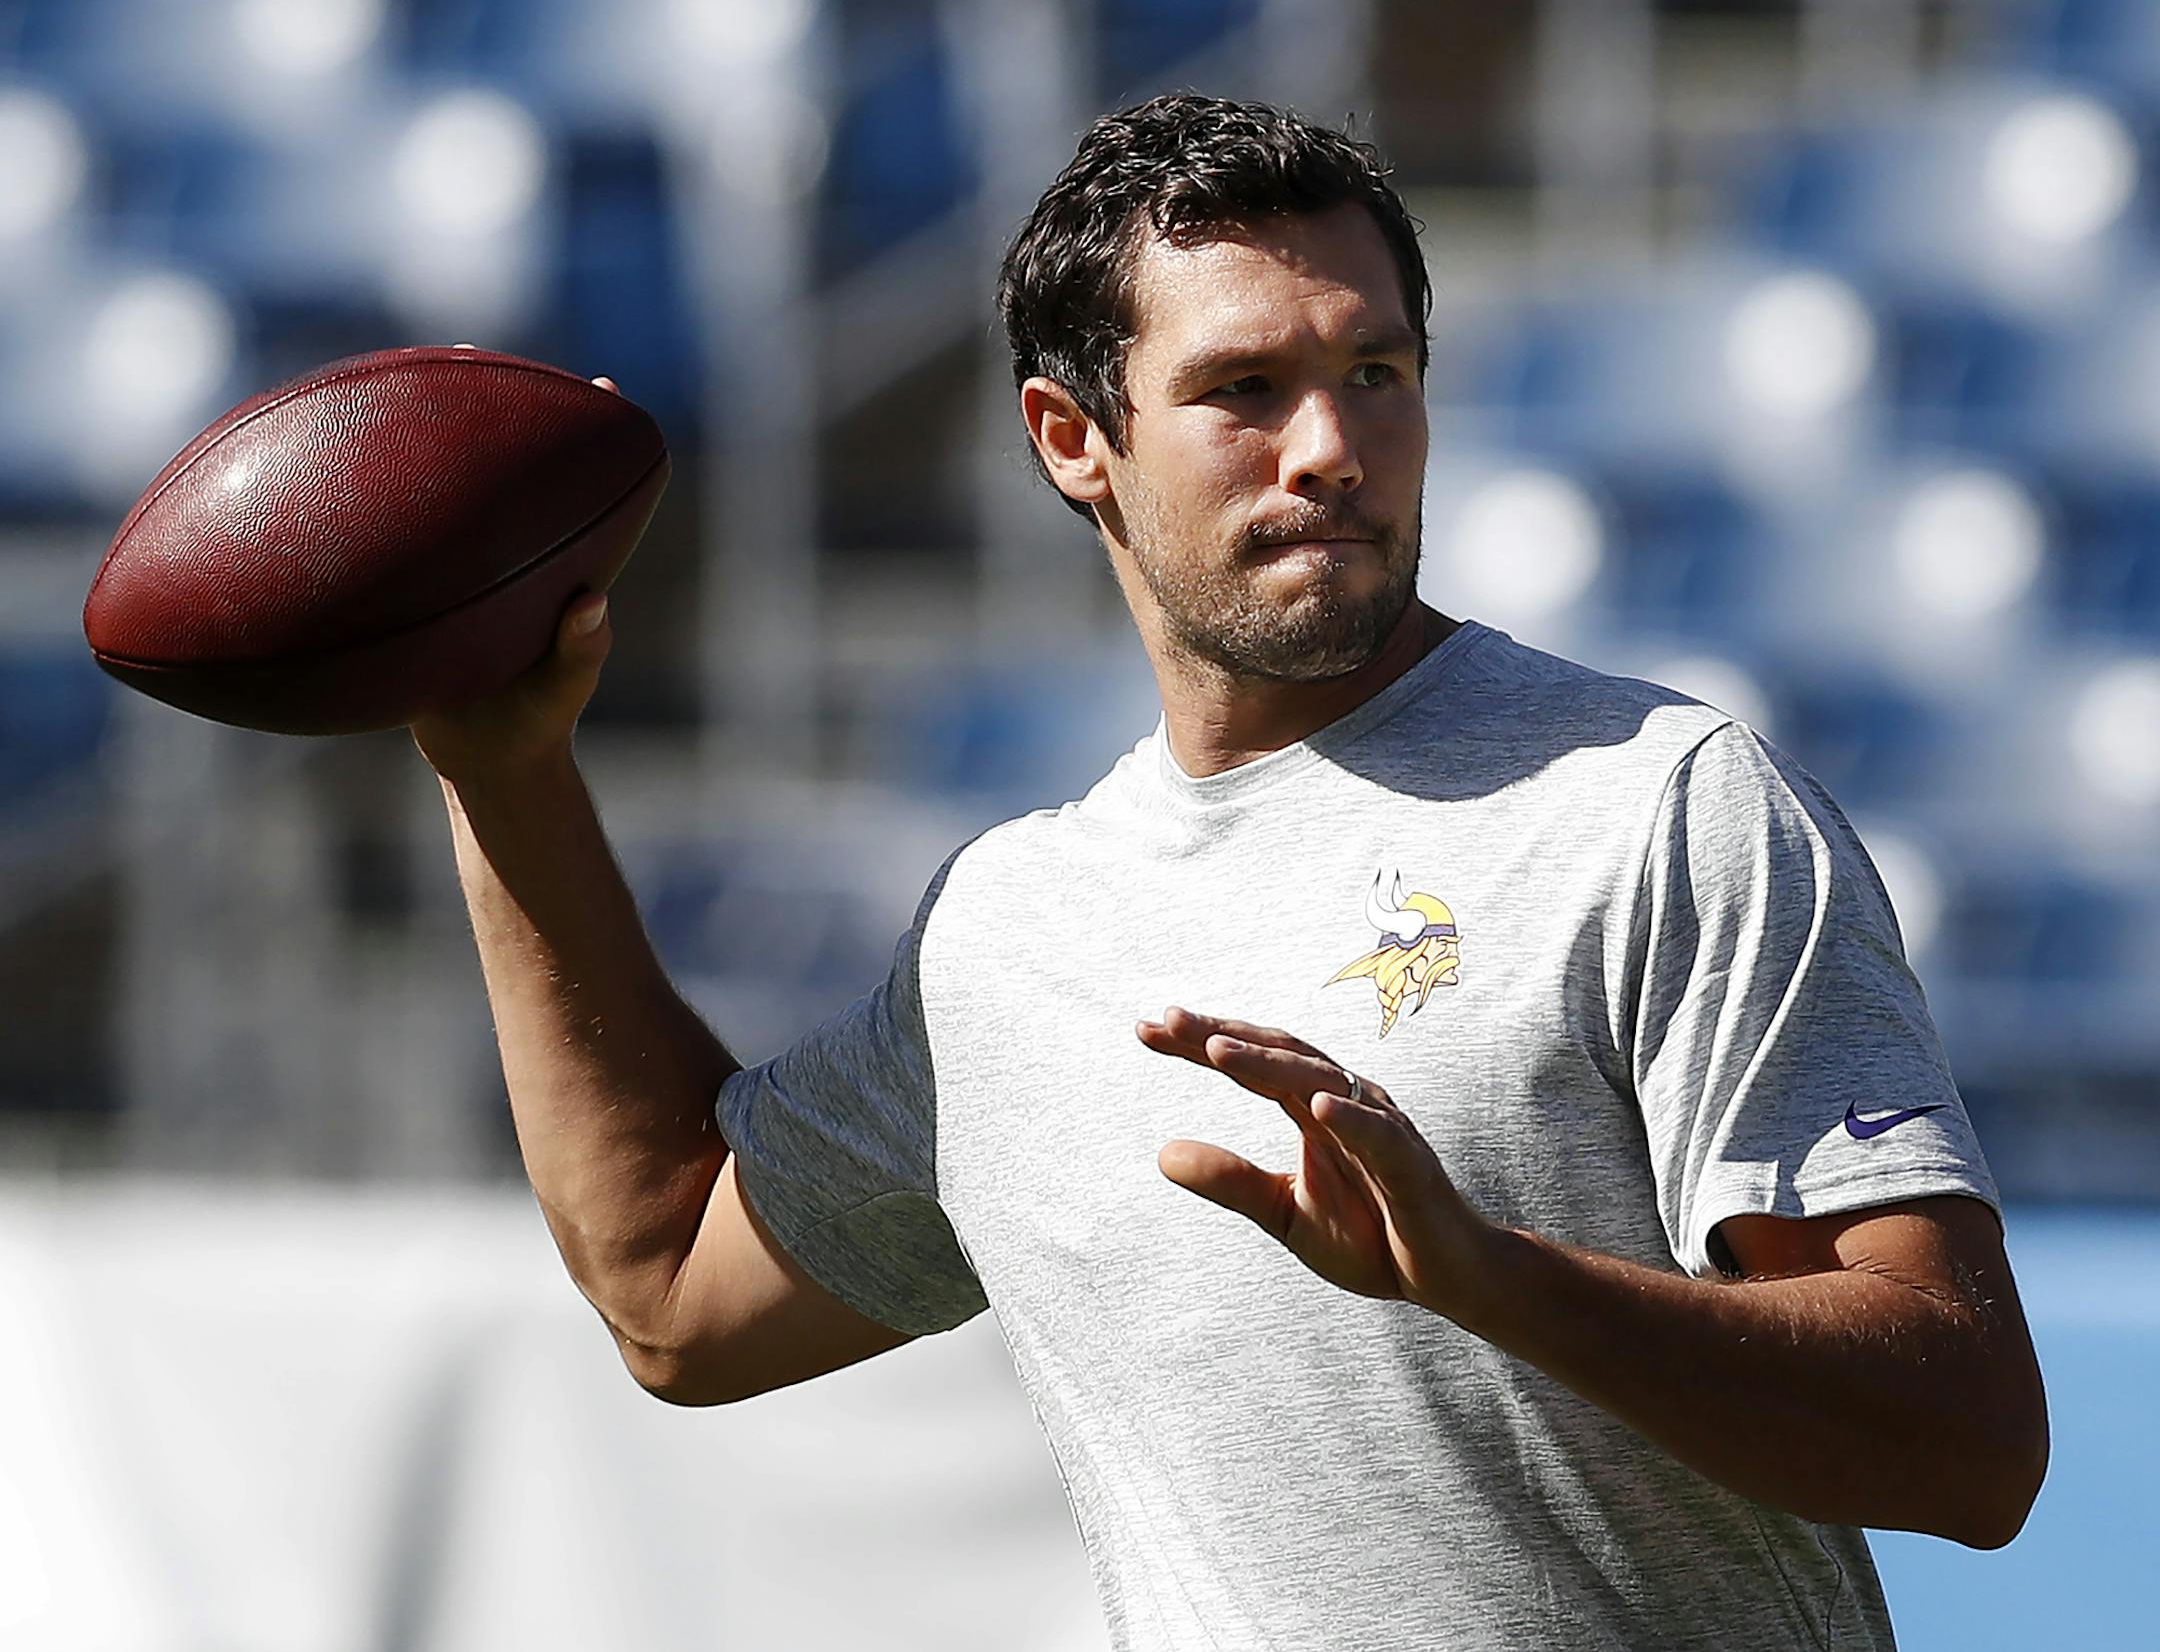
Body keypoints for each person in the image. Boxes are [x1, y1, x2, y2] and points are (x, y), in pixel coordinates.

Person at [412, 94, 2047, 1652]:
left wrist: (1492, 1280)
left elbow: (1966, 1442)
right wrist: (507, 779)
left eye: (1379, 370)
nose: (1332, 445)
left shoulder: (1657, 808)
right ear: (1073, 439)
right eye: (1246, 388)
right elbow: (672, 1291)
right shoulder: (1010, 928)